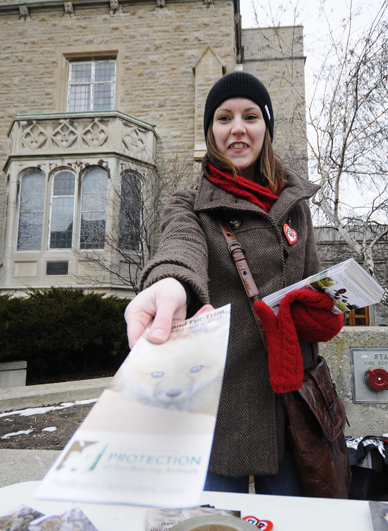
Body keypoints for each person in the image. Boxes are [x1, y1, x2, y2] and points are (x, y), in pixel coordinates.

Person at [124, 72, 324, 496]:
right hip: (219, 410)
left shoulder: (295, 205)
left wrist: (321, 309)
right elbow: (180, 246)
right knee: (214, 520)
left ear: (266, 127)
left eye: (250, 116)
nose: (238, 128)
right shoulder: (190, 205)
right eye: (224, 117)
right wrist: (170, 283)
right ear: (210, 131)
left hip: (292, 408)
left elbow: (312, 283)